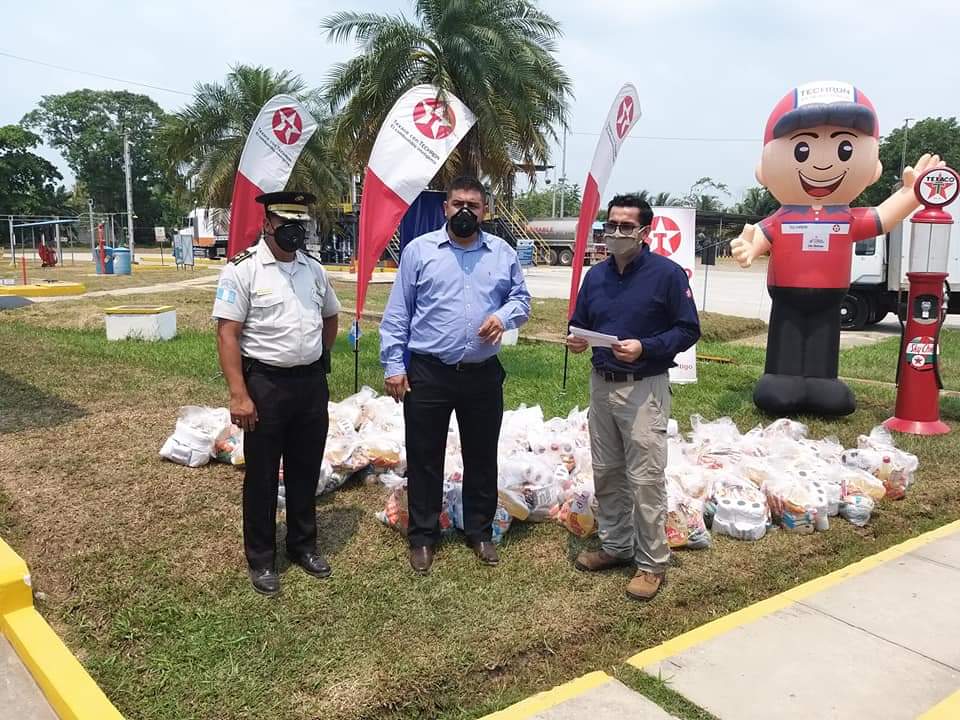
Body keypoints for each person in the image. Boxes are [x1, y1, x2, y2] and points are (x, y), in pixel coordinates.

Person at [731, 80, 943, 416]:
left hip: (831, 294)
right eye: (802, 150)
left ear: (872, 166)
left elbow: (884, 218)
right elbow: (758, 235)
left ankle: (820, 381)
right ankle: (781, 379)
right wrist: (748, 247)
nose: (822, 165)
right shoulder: (782, 217)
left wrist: (913, 194)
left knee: (824, 333)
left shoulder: (847, 217)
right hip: (786, 293)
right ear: (764, 168)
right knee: (786, 331)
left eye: (845, 150)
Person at [379, 175, 531, 575]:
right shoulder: (419, 252)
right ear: (445, 208)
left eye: (474, 206)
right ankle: (423, 537)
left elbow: (521, 299)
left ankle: (479, 531)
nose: (465, 211)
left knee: (482, 454)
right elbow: (398, 313)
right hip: (429, 372)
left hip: (481, 374)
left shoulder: (502, 253)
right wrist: (394, 365)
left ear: (485, 211)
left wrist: (503, 316)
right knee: (425, 456)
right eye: (458, 203)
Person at [566, 194, 700, 601]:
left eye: (626, 227)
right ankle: (616, 546)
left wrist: (647, 346)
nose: (617, 234)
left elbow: (688, 330)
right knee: (607, 471)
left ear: (645, 232)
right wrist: (576, 338)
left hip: (643, 387)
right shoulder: (597, 276)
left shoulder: (668, 275)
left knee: (644, 478)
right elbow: (581, 321)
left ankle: (651, 563)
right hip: (601, 384)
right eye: (612, 226)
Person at [212, 191, 341, 597]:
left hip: (309, 386)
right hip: (264, 385)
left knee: (306, 470)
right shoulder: (243, 270)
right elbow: (227, 333)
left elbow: (331, 317)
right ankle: (262, 557)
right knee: (263, 476)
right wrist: (239, 394)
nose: (293, 230)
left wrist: (317, 357)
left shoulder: (314, 271)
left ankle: (303, 545)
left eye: (300, 223)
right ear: (266, 223)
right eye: (285, 222)